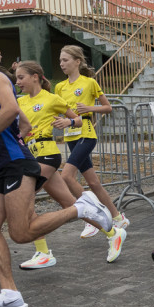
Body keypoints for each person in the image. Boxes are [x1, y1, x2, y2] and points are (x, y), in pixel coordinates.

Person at [0, 34, 118, 307]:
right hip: (2, 163)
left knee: (21, 232)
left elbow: (9, 110)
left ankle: (80, 208)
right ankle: (10, 294)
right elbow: (23, 121)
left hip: (16, 163)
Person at [15, 61, 126, 268]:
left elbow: (79, 120)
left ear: (35, 77)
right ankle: (113, 233)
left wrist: (68, 122)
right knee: (71, 205)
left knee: (24, 200)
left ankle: (43, 252)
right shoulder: (20, 102)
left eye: (21, 77)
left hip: (47, 156)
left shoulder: (51, 99)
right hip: (31, 155)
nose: (17, 81)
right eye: (16, 78)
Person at [54, 45, 130, 238]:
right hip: (70, 137)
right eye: (60, 60)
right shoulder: (59, 87)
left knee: (66, 177)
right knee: (94, 183)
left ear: (77, 61)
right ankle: (117, 216)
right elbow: (57, 110)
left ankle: (94, 218)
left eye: (65, 60)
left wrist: (89, 108)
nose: (61, 63)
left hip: (86, 134)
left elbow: (108, 107)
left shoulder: (89, 83)